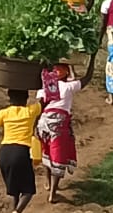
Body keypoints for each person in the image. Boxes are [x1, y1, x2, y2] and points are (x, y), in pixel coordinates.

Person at [36, 57, 96, 204]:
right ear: (65, 73)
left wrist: (34, 126)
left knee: (47, 152)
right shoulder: (68, 87)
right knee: (58, 156)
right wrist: (92, 58)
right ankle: (53, 194)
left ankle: (48, 183)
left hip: (43, 122)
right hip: (59, 123)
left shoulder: (45, 86)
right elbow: (87, 78)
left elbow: (39, 106)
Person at [0, 89, 42, 213]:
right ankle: (17, 211)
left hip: (4, 152)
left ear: (9, 98)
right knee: (28, 190)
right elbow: (47, 99)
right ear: (26, 98)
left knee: (14, 189)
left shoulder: (4, 113)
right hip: (20, 152)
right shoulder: (30, 111)